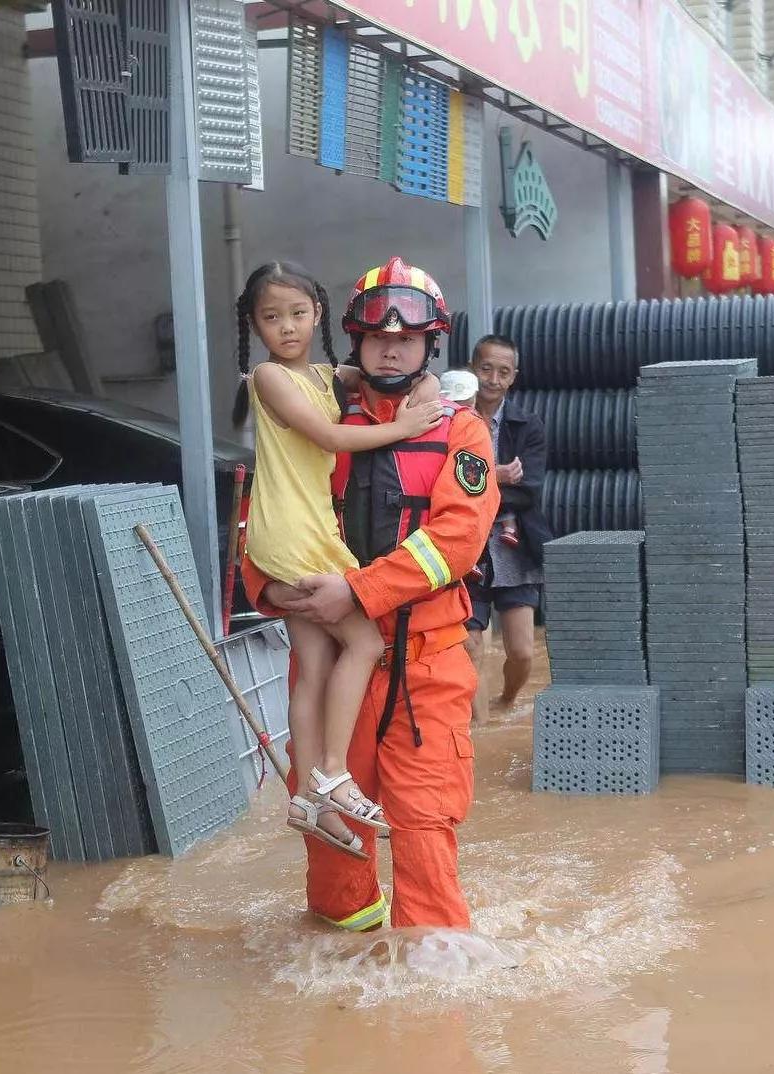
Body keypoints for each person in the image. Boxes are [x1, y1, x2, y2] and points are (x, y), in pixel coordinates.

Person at [241, 256, 499, 930]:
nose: (391, 346)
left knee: (423, 820)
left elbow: (457, 538)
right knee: (328, 830)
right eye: (379, 337)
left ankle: (430, 971)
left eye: (407, 338)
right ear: (354, 339)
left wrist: (356, 592)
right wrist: (273, 587)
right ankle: (337, 956)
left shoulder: (462, 431)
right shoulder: (317, 412)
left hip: (425, 663)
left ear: (428, 345)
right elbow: (275, 514)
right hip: (331, 658)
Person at [233, 260, 444, 860]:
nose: (287, 328)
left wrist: (426, 387)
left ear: (320, 315)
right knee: (366, 644)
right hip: (295, 534)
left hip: (290, 532)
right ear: (253, 324)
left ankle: (303, 798)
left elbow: (390, 368)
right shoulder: (267, 377)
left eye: (299, 314)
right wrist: (403, 427)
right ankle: (332, 773)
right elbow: (333, 439)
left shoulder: (329, 376)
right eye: (271, 318)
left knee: (315, 658)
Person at [464, 334, 552, 720]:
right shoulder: (451, 417)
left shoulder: (527, 425)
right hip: (467, 545)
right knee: (470, 646)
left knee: (522, 651)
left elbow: (529, 491)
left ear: (514, 376)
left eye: (503, 372)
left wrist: (478, 486)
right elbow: (441, 483)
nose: (493, 379)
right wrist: (496, 477)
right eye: (486, 369)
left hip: (515, 545)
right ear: (472, 368)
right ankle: (479, 734)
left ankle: (508, 701)